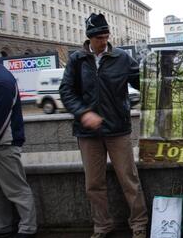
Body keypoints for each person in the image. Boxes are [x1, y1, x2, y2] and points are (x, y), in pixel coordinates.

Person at [59, 13, 148, 238]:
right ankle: (102, 226)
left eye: (106, 36)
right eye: (99, 37)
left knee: (129, 180)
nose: (104, 41)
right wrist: (83, 113)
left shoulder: (122, 58)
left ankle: (139, 225)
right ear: (89, 38)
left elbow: (144, 82)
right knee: (94, 184)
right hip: (88, 133)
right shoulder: (77, 60)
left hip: (118, 129)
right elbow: (66, 92)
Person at [0, 52, 37, 238]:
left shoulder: (2, 81)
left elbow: (0, 120)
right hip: (0, 143)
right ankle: (2, 226)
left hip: (4, 143)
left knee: (16, 189)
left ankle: (28, 228)